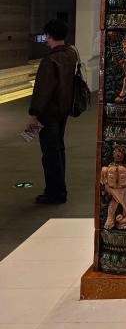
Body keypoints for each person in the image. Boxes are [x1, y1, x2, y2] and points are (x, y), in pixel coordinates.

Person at [24, 18, 77, 205]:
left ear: (50, 35)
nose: (46, 40)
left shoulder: (50, 60)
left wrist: (34, 114)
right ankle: (58, 189)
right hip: (63, 110)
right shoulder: (71, 54)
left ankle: (55, 193)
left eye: (46, 36)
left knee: (50, 154)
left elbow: (43, 90)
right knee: (58, 150)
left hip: (49, 114)